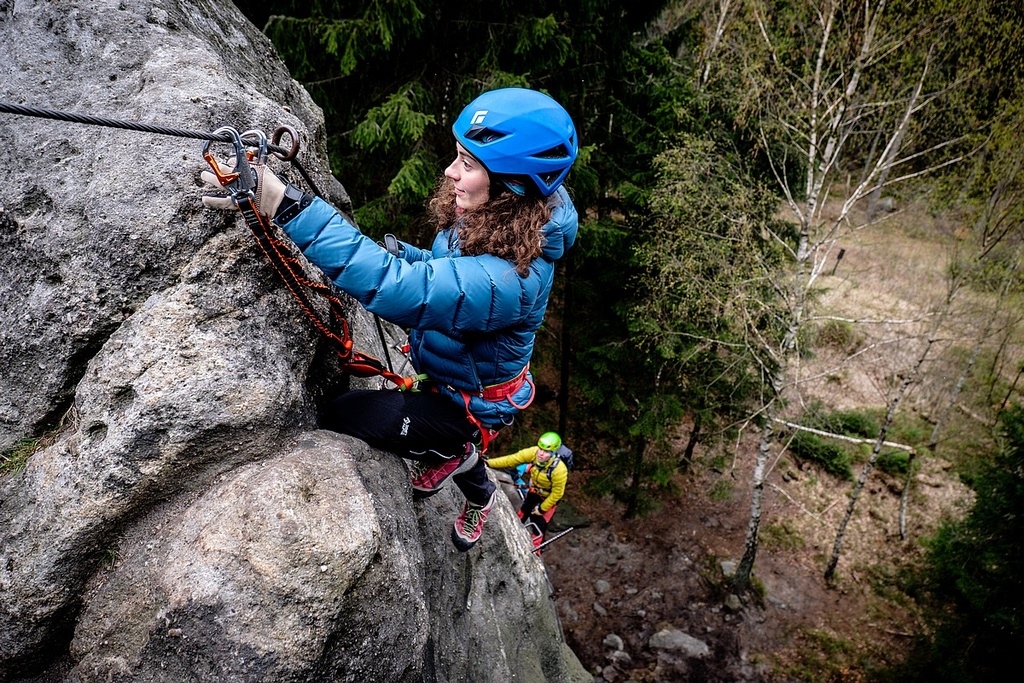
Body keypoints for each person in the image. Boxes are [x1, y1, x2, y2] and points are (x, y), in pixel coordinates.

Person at [201, 88, 578, 552]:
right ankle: (454, 453)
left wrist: (283, 203)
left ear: (511, 186)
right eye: (457, 156)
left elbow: (402, 288)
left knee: (342, 414)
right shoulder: (505, 219)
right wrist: (411, 256)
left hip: (465, 407)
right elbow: (452, 274)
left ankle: (458, 458)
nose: (450, 172)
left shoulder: (511, 277)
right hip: (451, 380)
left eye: (467, 163)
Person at [484, 431, 570, 550]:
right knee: (524, 511)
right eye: (540, 449)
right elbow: (512, 460)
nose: (540, 453)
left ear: (553, 453)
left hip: (548, 497)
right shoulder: (534, 453)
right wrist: (488, 463)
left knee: (539, 525)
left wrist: (541, 509)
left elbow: (557, 493)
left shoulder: (559, 470)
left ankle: (536, 551)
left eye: (545, 451)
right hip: (534, 490)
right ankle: (513, 532)